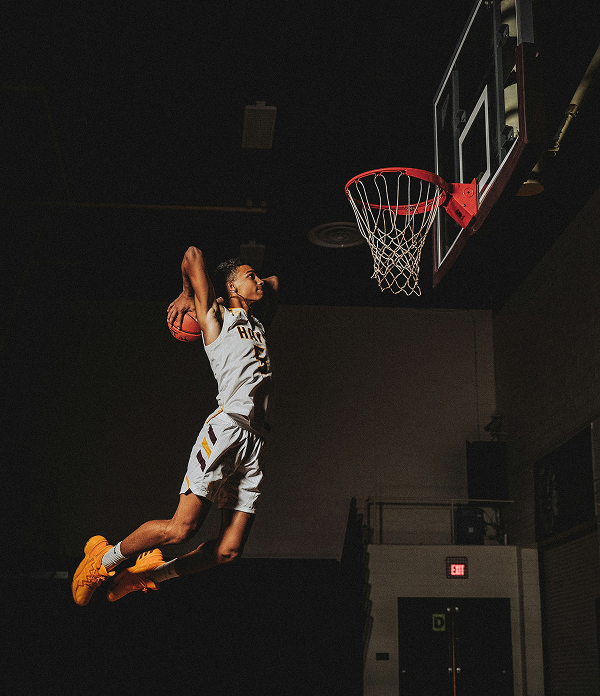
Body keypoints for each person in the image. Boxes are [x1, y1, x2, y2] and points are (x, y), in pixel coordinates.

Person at [72, 246, 279, 605]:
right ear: (229, 287)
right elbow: (193, 254)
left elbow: (273, 283)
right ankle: (102, 560)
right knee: (180, 529)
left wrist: (253, 281)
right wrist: (189, 294)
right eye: (250, 277)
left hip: (256, 441)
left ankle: (147, 575)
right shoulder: (215, 317)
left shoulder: (258, 323)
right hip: (227, 429)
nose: (259, 280)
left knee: (229, 551)